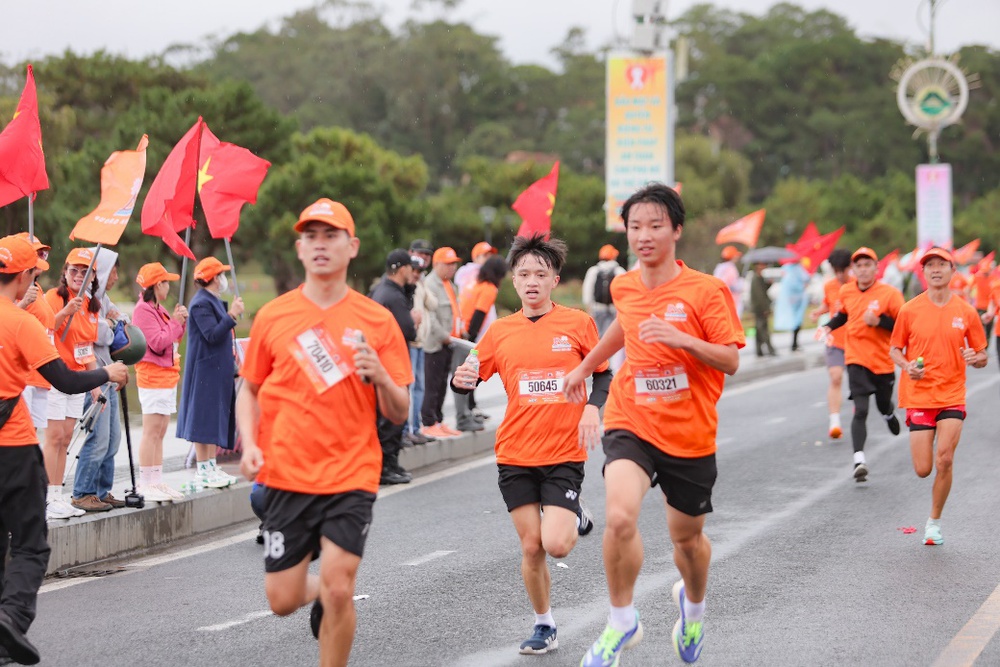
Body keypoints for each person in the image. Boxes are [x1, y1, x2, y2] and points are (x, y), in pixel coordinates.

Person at [564, 183, 744, 666]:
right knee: (620, 516)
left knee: (687, 541)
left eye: (655, 226)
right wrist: (585, 367)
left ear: (676, 230)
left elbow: (729, 359)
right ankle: (622, 620)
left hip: (689, 432)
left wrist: (682, 339)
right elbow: (623, 323)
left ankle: (693, 608)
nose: (643, 235)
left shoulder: (706, 290)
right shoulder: (624, 284)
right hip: (632, 418)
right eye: (635, 227)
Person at [237, 198, 411, 667]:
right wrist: (250, 444)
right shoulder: (274, 315)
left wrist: (381, 377)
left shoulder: (377, 321)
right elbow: (248, 389)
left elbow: (399, 411)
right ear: (299, 248)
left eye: (330, 236)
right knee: (281, 599)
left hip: (351, 473)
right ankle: (320, 596)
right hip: (287, 476)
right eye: (311, 236)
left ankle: (334, 607)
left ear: (351, 247)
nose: (320, 245)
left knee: (339, 587)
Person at [452, 235, 602, 656]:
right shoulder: (500, 332)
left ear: (554, 279)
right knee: (531, 546)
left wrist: (593, 407)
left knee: (556, 544)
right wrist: (459, 380)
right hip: (515, 453)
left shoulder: (577, 324)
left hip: (564, 453)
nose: (532, 281)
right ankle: (544, 624)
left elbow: (604, 373)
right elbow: (469, 378)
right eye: (523, 275)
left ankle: (572, 511)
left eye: (540, 274)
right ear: (513, 282)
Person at [0, 235, 129, 666]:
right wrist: (108, 371)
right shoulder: (23, 324)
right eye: (32, 272)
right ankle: (11, 617)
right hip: (14, 447)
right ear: (23, 277)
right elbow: (66, 381)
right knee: (31, 544)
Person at [889, 247, 987, 546]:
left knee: (944, 459)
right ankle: (932, 510)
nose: (935, 269)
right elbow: (895, 348)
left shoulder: (966, 311)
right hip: (919, 395)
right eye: (929, 265)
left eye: (941, 264)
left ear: (951, 271)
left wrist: (975, 357)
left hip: (952, 394)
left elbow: (982, 354)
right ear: (924, 272)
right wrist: (907, 366)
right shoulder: (909, 310)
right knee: (923, 469)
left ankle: (934, 523)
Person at [818, 247, 905, 482]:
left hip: (882, 361)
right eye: (859, 265)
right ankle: (859, 460)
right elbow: (843, 315)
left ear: (877, 268)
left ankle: (888, 413)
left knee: (882, 403)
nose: (864, 269)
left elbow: (903, 324)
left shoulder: (890, 294)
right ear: (853, 270)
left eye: (868, 264)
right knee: (861, 409)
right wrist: (828, 326)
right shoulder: (846, 291)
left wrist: (879, 321)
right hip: (855, 357)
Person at [42, 247, 102, 521]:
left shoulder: (92, 306)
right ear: (64, 272)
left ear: (92, 277)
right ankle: (44, 498)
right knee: (54, 437)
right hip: (55, 376)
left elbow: (84, 347)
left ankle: (57, 494)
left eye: (84, 272)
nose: (79, 275)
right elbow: (43, 329)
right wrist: (66, 311)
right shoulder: (52, 298)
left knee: (66, 438)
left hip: (77, 377)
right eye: (74, 270)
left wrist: (96, 382)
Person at [176, 257, 244, 490]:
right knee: (202, 419)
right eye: (221, 274)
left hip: (216, 370)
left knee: (213, 418)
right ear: (214, 278)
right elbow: (212, 335)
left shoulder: (211, 300)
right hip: (205, 369)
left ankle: (210, 465)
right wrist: (232, 315)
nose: (224, 279)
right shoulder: (200, 303)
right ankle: (203, 468)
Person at [70, 251, 128, 512]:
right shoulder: (87, 300)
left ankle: (102, 491)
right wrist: (112, 324)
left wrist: (113, 322)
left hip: (110, 375)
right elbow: (101, 334)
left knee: (113, 439)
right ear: (103, 271)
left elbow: (122, 321)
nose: (116, 275)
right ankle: (83, 492)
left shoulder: (103, 299)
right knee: (98, 438)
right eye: (113, 270)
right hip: (95, 376)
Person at [132, 262, 188, 502]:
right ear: (156, 285)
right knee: (152, 429)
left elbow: (172, 338)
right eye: (165, 282)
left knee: (162, 429)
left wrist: (179, 323)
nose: (168, 286)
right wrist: (175, 322)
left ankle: (156, 479)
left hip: (165, 376)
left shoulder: (159, 308)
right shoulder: (143, 310)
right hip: (152, 376)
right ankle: (146, 482)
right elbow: (156, 342)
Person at [369, 248, 419, 485]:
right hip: (391, 364)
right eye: (411, 267)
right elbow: (407, 330)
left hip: (381, 362)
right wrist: (414, 319)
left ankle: (390, 464)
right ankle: (386, 467)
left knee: (386, 417)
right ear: (401, 269)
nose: (414, 272)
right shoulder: (393, 295)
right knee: (391, 418)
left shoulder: (380, 290)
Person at [14, 234, 55, 456]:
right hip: (23, 377)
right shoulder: (15, 290)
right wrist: (23, 303)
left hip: (40, 374)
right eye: (36, 252)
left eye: (43, 253)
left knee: (32, 438)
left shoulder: (37, 290)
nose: (41, 257)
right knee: (20, 439)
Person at [420, 247, 466, 438]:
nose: (452, 267)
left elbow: (455, 310)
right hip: (436, 343)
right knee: (432, 384)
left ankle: (438, 420)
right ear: (436, 264)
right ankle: (429, 422)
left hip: (450, 341)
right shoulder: (430, 284)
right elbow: (430, 317)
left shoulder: (449, 284)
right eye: (448, 264)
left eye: (454, 263)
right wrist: (444, 335)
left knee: (441, 385)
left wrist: (460, 330)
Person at [458, 254, 508, 422]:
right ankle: (470, 409)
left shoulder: (475, 283)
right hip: (471, 337)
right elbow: (479, 314)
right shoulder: (489, 289)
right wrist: (472, 343)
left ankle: (470, 407)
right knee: (472, 373)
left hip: (460, 332)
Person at [810, 249, 852, 439]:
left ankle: (858, 407)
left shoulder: (858, 285)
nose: (839, 274)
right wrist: (818, 312)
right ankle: (834, 422)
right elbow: (829, 305)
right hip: (835, 339)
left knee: (858, 384)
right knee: (835, 377)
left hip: (856, 341)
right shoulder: (829, 286)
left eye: (842, 270)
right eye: (836, 271)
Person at [403, 247, 437, 446]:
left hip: (420, 342)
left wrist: (421, 285)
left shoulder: (419, 286)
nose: (416, 275)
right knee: (411, 387)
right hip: (410, 342)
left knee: (419, 388)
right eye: (413, 271)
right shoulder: (405, 289)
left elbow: (432, 304)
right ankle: (408, 429)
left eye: (419, 271)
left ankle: (415, 428)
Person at [582, 244, 628, 338]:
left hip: (598, 308)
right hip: (615, 309)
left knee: (598, 335)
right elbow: (626, 291)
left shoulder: (593, 270)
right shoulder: (619, 271)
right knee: (614, 337)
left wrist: (588, 306)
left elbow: (587, 290)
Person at [773, 259, 809, 352]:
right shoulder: (796, 270)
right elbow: (801, 282)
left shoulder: (787, 269)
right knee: (797, 322)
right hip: (796, 299)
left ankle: (795, 343)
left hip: (791, 300)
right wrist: (803, 286)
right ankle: (794, 344)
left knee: (795, 321)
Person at [749, 261, 775, 357]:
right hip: (759, 309)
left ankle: (759, 351)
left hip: (759, 308)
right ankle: (770, 349)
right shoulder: (756, 278)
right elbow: (760, 296)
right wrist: (765, 309)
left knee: (759, 330)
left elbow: (763, 290)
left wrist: (769, 284)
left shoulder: (758, 278)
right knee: (763, 330)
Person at [712, 246, 744, 319]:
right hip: (731, 302)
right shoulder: (730, 268)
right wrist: (741, 283)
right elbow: (732, 285)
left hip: (721, 302)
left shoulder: (719, 268)